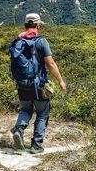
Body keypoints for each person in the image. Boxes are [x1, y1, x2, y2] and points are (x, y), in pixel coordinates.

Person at [9, 12, 66, 153]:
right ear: (38, 25)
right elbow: (51, 64)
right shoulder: (41, 41)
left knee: (25, 110)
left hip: (22, 85)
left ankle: (19, 130)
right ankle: (36, 145)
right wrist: (60, 81)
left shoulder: (18, 41)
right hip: (39, 85)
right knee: (42, 114)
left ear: (25, 25)